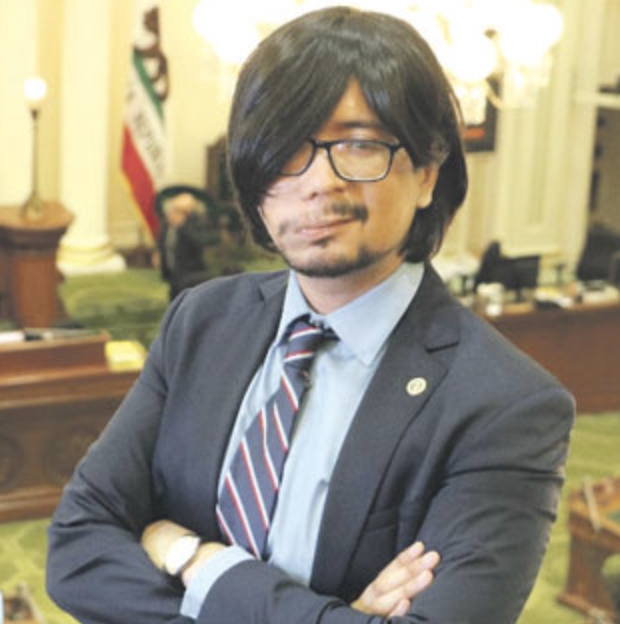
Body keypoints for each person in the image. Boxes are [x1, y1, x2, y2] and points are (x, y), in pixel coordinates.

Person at [46, 7, 575, 624]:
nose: (319, 181)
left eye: (359, 144)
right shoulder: (203, 321)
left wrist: (194, 559)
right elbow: (76, 550)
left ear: (427, 174)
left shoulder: (506, 404)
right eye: (283, 148)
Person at [155, 191, 219, 300]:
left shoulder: (197, 221)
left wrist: (182, 227)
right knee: (175, 302)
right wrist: (158, 252)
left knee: (190, 302)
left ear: (188, 210)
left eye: (178, 210)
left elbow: (199, 241)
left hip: (192, 275)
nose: (173, 212)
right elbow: (163, 241)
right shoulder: (167, 224)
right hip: (173, 274)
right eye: (173, 209)